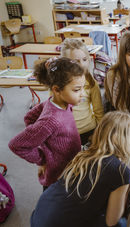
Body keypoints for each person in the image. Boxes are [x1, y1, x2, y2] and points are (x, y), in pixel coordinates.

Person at [30, 111, 130, 227]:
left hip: (39, 215)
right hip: (58, 223)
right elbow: (111, 221)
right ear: (116, 138)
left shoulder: (84, 154)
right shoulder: (121, 171)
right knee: (122, 223)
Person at [9, 57, 85, 189]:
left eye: (83, 88)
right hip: (59, 178)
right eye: (77, 90)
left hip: (71, 167)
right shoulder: (51, 120)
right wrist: (42, 160)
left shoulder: (58, 103)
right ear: (56, 90)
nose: (82, 94)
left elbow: (29, 117)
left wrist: (44, 140)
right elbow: (16, 145)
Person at [60, 38, 103, 146]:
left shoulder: (91, 83)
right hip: (67, 133)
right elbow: (55, 110)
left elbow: (99, 111)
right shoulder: (59, 84)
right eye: (75, 61)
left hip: (89, 131)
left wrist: (100, 132)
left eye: (85, 59)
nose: (81, 65)